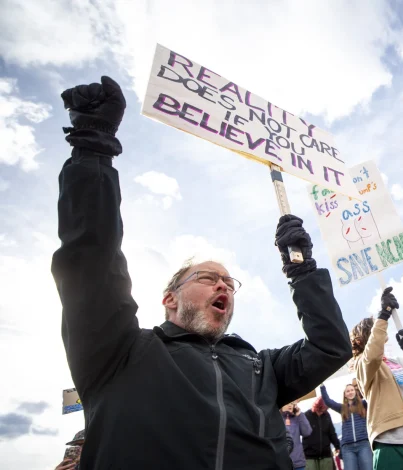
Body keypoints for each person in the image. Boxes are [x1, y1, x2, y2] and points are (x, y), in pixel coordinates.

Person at [51, 76, 352, 469]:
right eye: (209, 278)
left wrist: (302, 270)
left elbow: (330, 347)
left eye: (230, 282)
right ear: (169, 298)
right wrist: (92, 149)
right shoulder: (120, 353)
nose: (224, 285)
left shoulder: (262, 369)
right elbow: (91, 260)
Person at [352, 287, 403, 470]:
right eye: (373, 327)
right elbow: (372, 355)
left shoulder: (400, 362)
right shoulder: (362, 365)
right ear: (361, 339)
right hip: (389, 442)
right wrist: (383, 315)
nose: (380, 329)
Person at [320, 383, 372, 470]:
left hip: (363, 444)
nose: (350, 392)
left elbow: (371, 395)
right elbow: (328, 401)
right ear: (345, 394)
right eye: (347, 391)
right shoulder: (342, 408)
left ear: (356, 392)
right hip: (348, 448)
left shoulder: (363, 404)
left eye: (352, 390)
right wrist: (322, 386)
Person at [303, 397, 340, 470]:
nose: (321, 412)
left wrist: (337, 446)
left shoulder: (327, 415)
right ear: (316, 407)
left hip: (325, 455)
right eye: (320, 410)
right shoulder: (306, 415)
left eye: (324, 410)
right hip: (310, 456)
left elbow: (331, 433)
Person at [284, 403, 313, 470]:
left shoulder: (297, 417)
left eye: (292, 403)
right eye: (287, 402)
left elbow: (307, 432)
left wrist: (300, 415)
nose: (290, 405)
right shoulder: (276, 418)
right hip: (283, 464)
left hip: (299, 463)